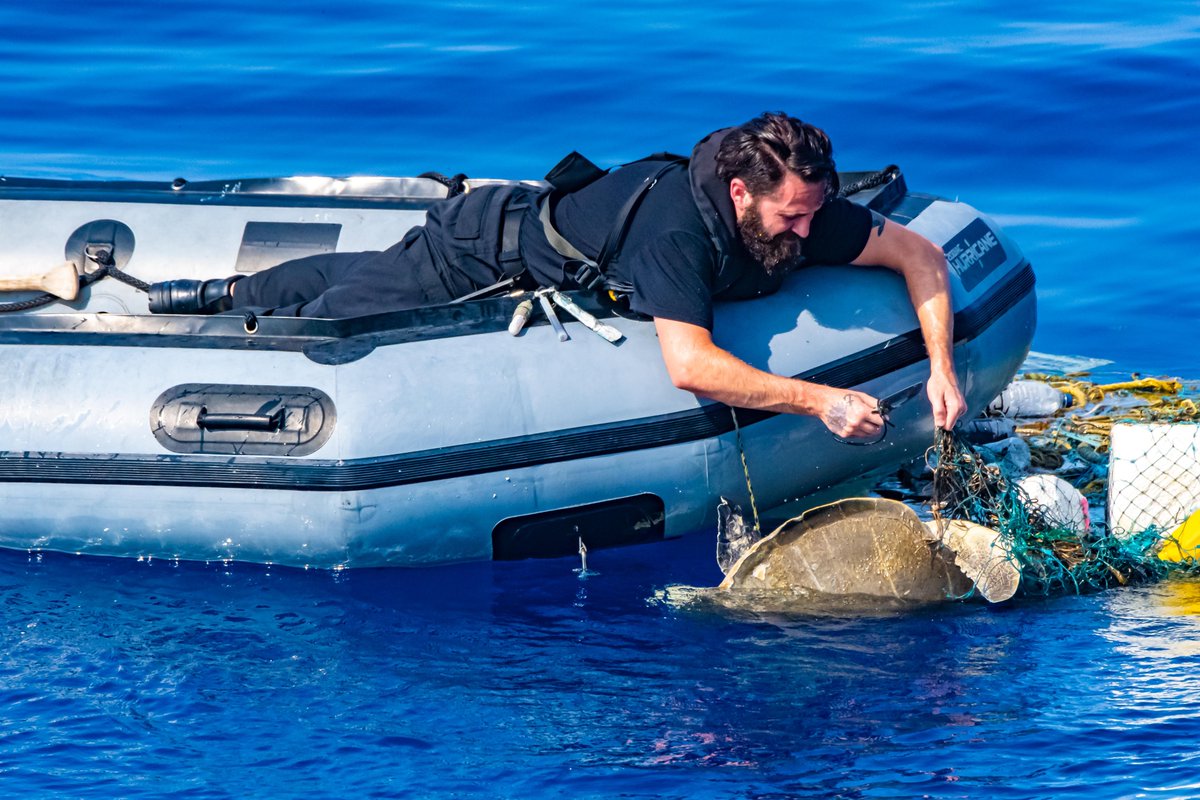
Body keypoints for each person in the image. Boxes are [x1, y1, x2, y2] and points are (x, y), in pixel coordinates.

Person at [148, 112, 966, 438]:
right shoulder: (680, 235)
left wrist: (940, 369)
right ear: (743, 191)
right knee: (339, 317)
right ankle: (209, 319)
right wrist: (819, 398)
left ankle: (224, 290)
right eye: (792, 216)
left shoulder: (806, 210)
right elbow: (691, 368)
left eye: (815, 214)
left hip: (549, 223)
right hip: (480, 252)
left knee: (361, 272)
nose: (809, 231)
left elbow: (919, 255)